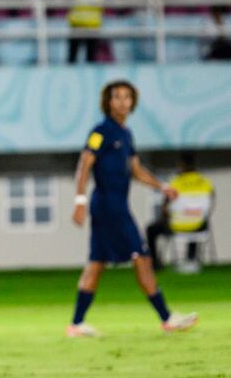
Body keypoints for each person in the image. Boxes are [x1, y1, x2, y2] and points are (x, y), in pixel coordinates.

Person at [67, 81, 199, 337]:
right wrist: (80, 201)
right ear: (108, 102)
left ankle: (76, 324)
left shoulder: (126, 134)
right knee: (141, 257)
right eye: (117, 97)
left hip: (116, 207)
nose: (123, 102)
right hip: (108, 207)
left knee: (96, 263)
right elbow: (84, 164)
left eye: (127, 97)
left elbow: (136, 170)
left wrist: (162, 186)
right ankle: (167, 317)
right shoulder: (100, 131)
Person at [146, 152, 215, 271]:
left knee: (151, 229)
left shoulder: (176, 182)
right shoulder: (205, 182)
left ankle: (154, 263)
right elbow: (211, 203)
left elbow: (165, 206)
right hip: (199, 226)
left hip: (176, 226)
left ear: (181, 165)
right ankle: (191, 258)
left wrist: (165, 217)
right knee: (196, 220)